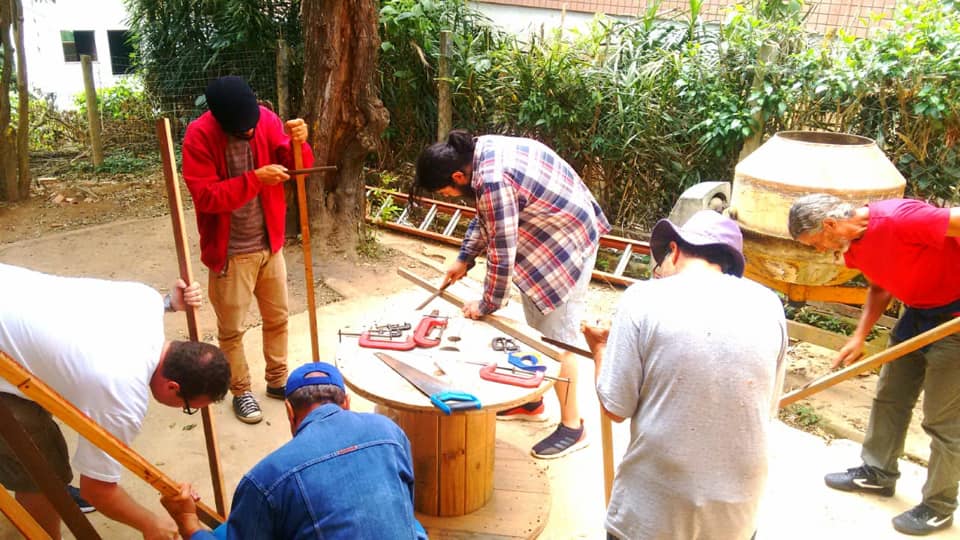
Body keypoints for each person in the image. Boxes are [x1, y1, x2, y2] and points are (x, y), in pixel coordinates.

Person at [581, 211, 787, 540]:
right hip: (738, 516)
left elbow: (614, 408)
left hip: (657, 513)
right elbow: (766, 407)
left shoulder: (643, 297)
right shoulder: (769, 304)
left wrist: (600, 348)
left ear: (674, 251)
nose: (657, 273)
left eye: (659, 264)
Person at [410, 129, 611, 459]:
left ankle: (573, 427)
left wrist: (486, 304)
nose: (448, 195)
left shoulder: (491, 180)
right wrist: (463, 258)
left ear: (458, 175)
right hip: (549, 229)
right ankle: (532, 402)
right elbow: (486, 215)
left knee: (558, 341)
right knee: (537, 326)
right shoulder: (478, 154)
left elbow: (502, 252)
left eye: (446, 190)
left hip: (567, 239)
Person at [0, 263, 231, 540]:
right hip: (5, 358)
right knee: (40, 468)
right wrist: (150, 523)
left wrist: (170, 303)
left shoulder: (144, 300)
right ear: (173, 387)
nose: (184, 411)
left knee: (46, 456)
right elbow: (96, 489)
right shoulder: (121, 392)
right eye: (188, 407)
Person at [789, 193, 960, 536]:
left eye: (815, 243)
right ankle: (878, 474)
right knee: (890, 398)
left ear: (830, 225)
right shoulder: (854, 245)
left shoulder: (902, 219)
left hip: (954, 318)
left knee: (942, 419)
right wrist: (859, 336)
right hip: (917, 313)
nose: (820, 250)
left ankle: (939, 507)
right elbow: (880, 286)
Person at [160, 362, 427, 540]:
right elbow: (405, 504)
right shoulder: (390, 432)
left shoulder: (266, 478)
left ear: (289, 411)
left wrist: (187, 522)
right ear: (346, 403)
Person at [182, 75, 315, 425]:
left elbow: (298, 166)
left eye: (252, 127)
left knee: (278, 318)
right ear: (221, 123)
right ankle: (240, 390)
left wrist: (300, 142)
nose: (249, 134)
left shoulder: (265, 119)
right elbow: (206, 197)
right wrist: (255, 179)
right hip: (230, 253)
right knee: (232, 329)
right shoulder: (199, 136)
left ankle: (278, 380)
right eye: (241, 132)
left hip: (269, 245)